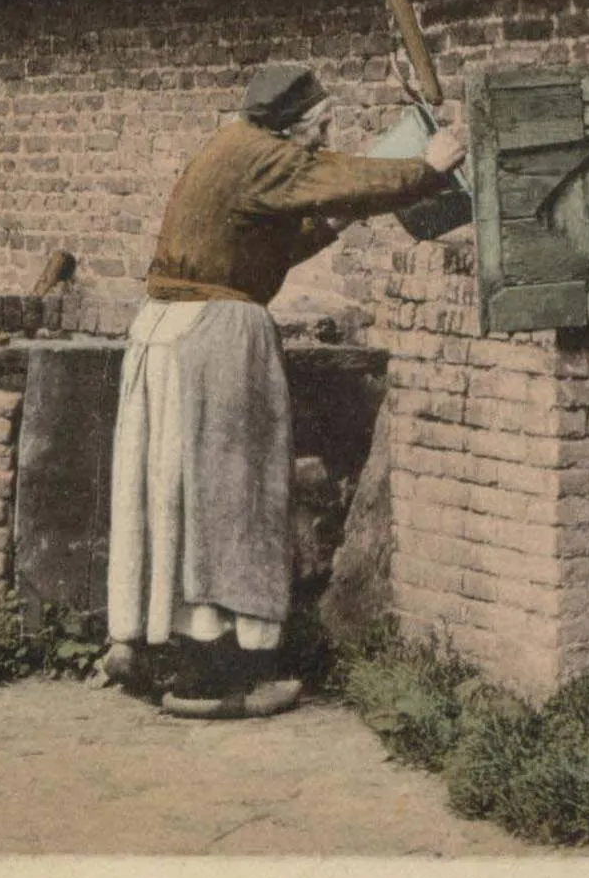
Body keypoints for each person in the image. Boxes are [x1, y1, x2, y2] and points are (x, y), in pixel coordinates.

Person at [101, 62, 467, 718]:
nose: (325, 138)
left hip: (169, 333)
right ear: (295, 124)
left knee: (178, 497)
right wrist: (429, 166)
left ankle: (154, 648)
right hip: (213, 336)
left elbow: (259, 242)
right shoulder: (267, 155)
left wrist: (330, 228)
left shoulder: (231, 151)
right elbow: (349, 178)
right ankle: (214, 681)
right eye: (322, 125)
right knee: (231, 500)